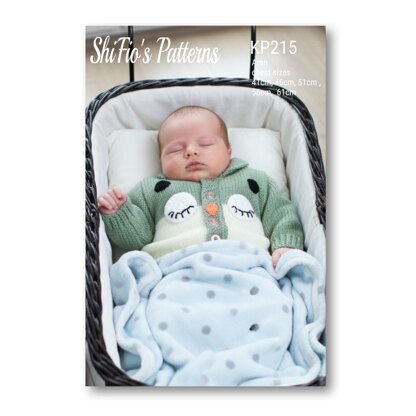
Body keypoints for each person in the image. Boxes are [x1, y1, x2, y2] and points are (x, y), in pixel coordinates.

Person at [98, 106, 304, 267]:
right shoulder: (152, 189)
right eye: (175, 149)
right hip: (175, 269)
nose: (191, 152)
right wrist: (119, 213)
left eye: (205, 144)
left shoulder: (255, 181)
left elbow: (281, 214)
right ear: (161, 160)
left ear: (229, 152)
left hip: (249, 265)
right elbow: (137, 238)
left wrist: (285, 245)